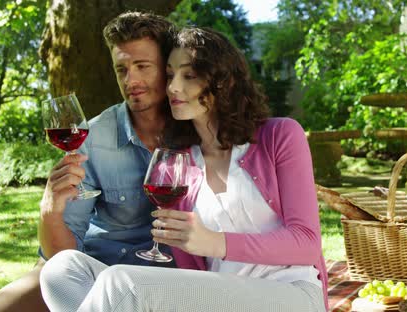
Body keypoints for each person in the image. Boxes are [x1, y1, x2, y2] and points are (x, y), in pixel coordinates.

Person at [39, 27, 329, 312]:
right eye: (170, 75)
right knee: (62, 270)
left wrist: (216, 243)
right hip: (213, 293)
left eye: (188, 75)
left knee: (121, 283)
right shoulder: (180, 163)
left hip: (290, 293)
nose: (173, 87)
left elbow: (306, 243)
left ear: (223, 81)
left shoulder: (278, 136)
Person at [0, 11, 175, 312]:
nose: (130, 80)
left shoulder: (198, 131)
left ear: (167, 68)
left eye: (142, 66)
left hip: (169, 279)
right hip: (96, 268)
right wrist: (50, 210)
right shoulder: (92, 137)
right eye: (121, 69)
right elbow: (59, 259)